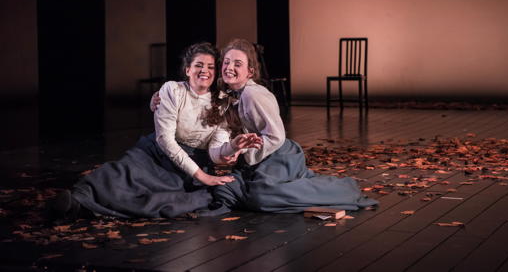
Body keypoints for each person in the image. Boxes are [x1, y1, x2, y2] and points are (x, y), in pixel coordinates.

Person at [153, 39, 378, 214]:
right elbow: (190, 99)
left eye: (238, 64)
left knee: (261, 196)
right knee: (230, 191)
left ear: (250, 71)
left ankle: (343, 189)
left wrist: (245, 153)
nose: (230, 67)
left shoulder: (252, 94)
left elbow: (276, 136)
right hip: (260, 157)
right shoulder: (229, 94)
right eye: (227, 62)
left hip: (278, 154)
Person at [51, 42, 261, 219]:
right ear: (187, 69)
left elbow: (216, 150)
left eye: (210, 67)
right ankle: (78, 201)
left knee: (162, 195)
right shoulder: (173, 90)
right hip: (158, 153)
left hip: (192, 161)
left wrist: (230, 148)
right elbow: (165, 140)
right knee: (120, 174)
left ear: (216, 73)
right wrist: (203, 177)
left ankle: (91, 209)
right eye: (198, 65)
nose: (204, 71)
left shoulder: (223, 102)